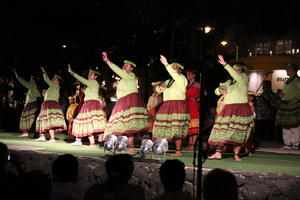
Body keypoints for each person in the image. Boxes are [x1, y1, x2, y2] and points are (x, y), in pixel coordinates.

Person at [208, 55, 253, 161]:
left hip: (240, 108)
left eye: (238, 69)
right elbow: (217, 90)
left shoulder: (244, 78)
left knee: (237, 131)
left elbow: (235, 74)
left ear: (242, 70)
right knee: (223, 130)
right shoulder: (229, 82)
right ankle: (218, 152)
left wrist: (225, 64)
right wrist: (220, 90)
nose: (236, 70)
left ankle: (236, 155)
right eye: (235, 69)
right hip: (228, 108)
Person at [102, 52, 148, 152]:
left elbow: (117, 70)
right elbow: (122, 84)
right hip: (123, 101)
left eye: (127, 66)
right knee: (123, 124)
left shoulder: (130, 75)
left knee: (128, 124)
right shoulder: (125, 78)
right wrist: (117, 85)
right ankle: (123, 144)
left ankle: (130, 146)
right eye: (124, 65)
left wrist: (107, 61)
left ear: (131, 69)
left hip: (129, 101)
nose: (124, 67)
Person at [152, 55, 189, 157]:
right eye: (171, 67)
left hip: (177, 105)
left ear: (180, 70)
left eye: (175, 67)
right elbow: (158, 90)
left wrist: (166, 64)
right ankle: (160, 147)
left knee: (176, 128)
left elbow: (175, 75)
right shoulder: (169, 81)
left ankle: (178, 151)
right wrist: (159, 88)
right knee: (163, 126)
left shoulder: (182, 78)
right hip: (167, 105)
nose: (172, 69)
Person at [68, 65, 107, 147]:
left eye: (91, 74)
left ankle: (87, 141)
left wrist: (72, 72)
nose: (89, 75)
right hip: (90, 104)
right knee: (87, 122)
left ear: (95, 77)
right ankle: (81, 140)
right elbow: (89, 93)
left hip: (91, 104)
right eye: (89, 73)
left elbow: (81, 79)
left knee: (84, 122)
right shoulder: (93, 84)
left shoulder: (92, 82)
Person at [35, 67, 67, 142]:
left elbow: (46, 79)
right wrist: (44, 94)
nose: (52, 79)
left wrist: (44, 72)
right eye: (53, 78)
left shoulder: (55, 85)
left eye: (54, 78)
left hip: (51, 105)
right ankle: (42, 136)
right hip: (46, 104)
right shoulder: (52, 87)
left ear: (58, 81)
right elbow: (48, 97)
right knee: (43, 119)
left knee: (50, 120)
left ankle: (52, 138)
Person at [277, 63, 300, 150]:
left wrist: (296, 99)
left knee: (294, 125)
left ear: (294, 70)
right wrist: (282, 95)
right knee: (285, 125)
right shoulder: (289, 80)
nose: (286, 70)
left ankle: (295, 144)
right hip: (285, 105)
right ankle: (287, 144)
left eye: (288, 69)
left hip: (293, 105)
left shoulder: (297, 80)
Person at [14, 70, 41, 138]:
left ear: (34, 80)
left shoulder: (32, 86)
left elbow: (24, 83)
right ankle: (31, 132)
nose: (30, 80)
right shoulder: (36, 87)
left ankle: (26, 132)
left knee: (25, 118)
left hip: (30, 105)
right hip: (34, 104)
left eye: (31, 79)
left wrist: (18, 77)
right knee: (30, 119)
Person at [253, 80, 279, 146]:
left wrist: (268, 99)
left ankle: (268, 144)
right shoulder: (261, 94)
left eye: (265, 86)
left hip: (268, 117)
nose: (264, 87)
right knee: (259, 133)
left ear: (269, 86)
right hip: (259, 117)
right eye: (263, 86)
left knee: (268, 133)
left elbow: (275, 105)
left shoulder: (272, 95)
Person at [184, 70, 200, 151]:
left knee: (194, 125)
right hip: (187, 106)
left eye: (189, 74)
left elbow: (204, 94)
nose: (188, 75)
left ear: (194, 75)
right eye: (187, 74)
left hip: (194, 107)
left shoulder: (197, 84)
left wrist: (197, 100)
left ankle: (193, 145)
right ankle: (190, 144)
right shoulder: (186, 85)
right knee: (189, 126)